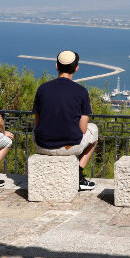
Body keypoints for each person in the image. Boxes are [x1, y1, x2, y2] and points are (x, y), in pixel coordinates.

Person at [32, 50, 98, 191]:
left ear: (56, 66)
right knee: (94, 131)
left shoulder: (42, 89)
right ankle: (79, 176)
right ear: (76, 68)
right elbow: (83, 129)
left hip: (42, 145)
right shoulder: (81, 92)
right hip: (69, 147)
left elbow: (37, 123)